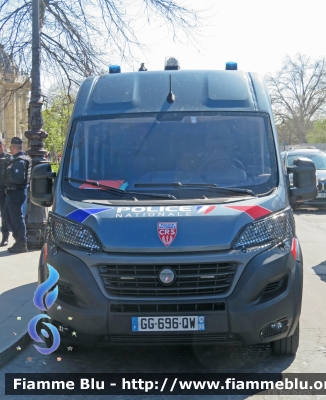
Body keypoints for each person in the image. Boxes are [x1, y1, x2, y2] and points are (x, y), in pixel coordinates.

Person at [3, 137, 32, 253]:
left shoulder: (20, 161)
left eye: (10, 146)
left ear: (13, 147)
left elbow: (19, 179)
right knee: (6, 217)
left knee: (17, 219)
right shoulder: (17, 159)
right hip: (12, 193)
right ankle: (18, 240)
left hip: (16, 193)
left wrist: (9, 170)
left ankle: (21, 243)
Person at [0, 138, 13, 246]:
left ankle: (5, 237)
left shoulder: (8, 158)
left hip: (3, 191)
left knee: (4, 215)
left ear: (3, 146)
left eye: (0, 146)